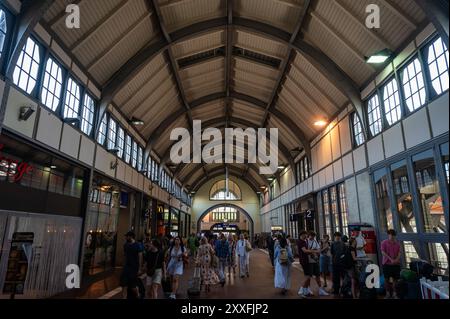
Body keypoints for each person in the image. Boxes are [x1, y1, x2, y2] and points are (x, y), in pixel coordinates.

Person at [303, 231, 329, 297]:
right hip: (309, 261)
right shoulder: (306, 241)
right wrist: (314, 250)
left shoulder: (315, 241)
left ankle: (320, 289)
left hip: (315, 260)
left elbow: (319, 250)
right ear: (309, 235)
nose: (312, 237)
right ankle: (307, 289)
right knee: (309, 276)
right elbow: (306, 251)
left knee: (317, 275)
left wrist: (315, 251)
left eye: (313, 236)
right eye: (311, 236)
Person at [120, 231, 144, 299]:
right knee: (124, 285)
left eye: (127, 236)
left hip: (134, 268)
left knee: (133, 286)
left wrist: (139, 268)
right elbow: (124, 256)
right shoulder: (126, 245)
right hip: (126, 268)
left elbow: (140, 257)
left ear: (131, 236)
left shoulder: (137, 245)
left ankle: (138, 294)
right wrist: (123, 265)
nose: (126, 237)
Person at [381, 229, 401, 299]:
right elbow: (383, 252)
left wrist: (396, 260)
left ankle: (395, 294)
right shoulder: (384, 242)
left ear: (394, 236)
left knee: (395, 279)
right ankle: (388, 293)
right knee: (386, 279)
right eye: (390, 234)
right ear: (388, 235)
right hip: (386, 264)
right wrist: (391, 259)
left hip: (395, 264)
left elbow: (399, 253)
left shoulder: (397, 243)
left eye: (393, 235)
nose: (391, 236)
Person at [331, 232, 346, 296]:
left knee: (344, 277)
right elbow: (332, 253)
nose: (337, 237)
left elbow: (345, 253)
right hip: (335, 263)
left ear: (340, 237)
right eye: (336, 236)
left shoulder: (343, 244)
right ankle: (336, 291)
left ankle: (344, 290)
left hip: (342, 263)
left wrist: (342, 257)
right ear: (334, 237)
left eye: (338, 236)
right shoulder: (333, 244)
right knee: (336, 278)